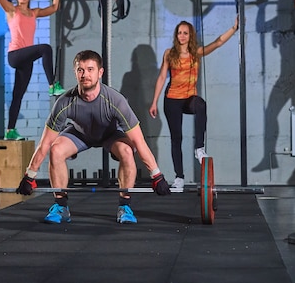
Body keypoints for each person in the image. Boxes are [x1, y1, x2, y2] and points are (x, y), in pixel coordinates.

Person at [15, 50, 172, 224]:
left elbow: (139, 141)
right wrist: (30, 175)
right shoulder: (64, 102)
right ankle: (61, 207)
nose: (85, 75)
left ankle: (124, 207)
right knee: (56, 149)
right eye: (80, 70)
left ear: (100, 72)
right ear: (75, 73)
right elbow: (45, 143)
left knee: (128, 151)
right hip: (80, 134)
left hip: (110, 135)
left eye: (90, 69)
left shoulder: (115, 101)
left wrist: (156, 175)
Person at [149, 18, 238, 190]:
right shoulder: (169, 53)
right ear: (176, 35)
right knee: (177, 139)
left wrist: (234, 28)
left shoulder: (196, 53)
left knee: (201, 105)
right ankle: (179, 177)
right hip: (172, 99)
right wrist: (154, 102)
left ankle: (199, 148)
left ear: (190, 36)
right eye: (179, 33)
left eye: (185, 33)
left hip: (189, 98)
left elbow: (218, 42)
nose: (182, 36)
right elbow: (161, 77)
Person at [0, 0, 66, 141]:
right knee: (45, 48)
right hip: (15, 55)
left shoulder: (34, 13)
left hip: (26, 59)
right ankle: (52, 85)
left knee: (18, 95)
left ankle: (10, 131)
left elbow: (55, 7)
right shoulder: (12, 10)